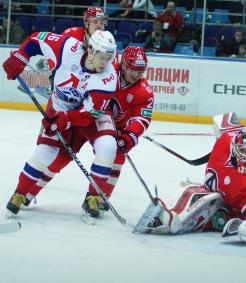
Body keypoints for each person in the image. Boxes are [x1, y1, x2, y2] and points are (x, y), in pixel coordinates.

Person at [24, 46, 154, 220]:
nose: (137, 74)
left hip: (114, 129)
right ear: (123, 65)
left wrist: (130, 135)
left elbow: (142, 119)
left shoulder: (144, 91)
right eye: (133, 69)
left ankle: (98, 198)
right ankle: (28, 192)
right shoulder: (106, 72)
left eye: (141, 70)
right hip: (86, 120)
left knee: (115, 156)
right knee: (61, 156)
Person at [2, 29, 118, 216]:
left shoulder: (108, 77)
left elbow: (90, 113)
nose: (105, 63)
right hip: (58, 108)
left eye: (109, 58)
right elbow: (36, 39)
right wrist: (22, 56)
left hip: (89, 115)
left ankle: (93, 198)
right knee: (45, 151)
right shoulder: (67, 48)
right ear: (90, 50)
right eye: (102, 57)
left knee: (108, 146)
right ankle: (19, 193)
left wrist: (67, 119)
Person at [135, 113, 246, 244]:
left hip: (233, 211)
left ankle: (167, 220)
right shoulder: (226, 140)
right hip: (213, 193)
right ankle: (165, 218)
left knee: (208, 210)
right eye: (243, 150)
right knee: (197, 195)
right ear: (233, 147)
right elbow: (225, 118)